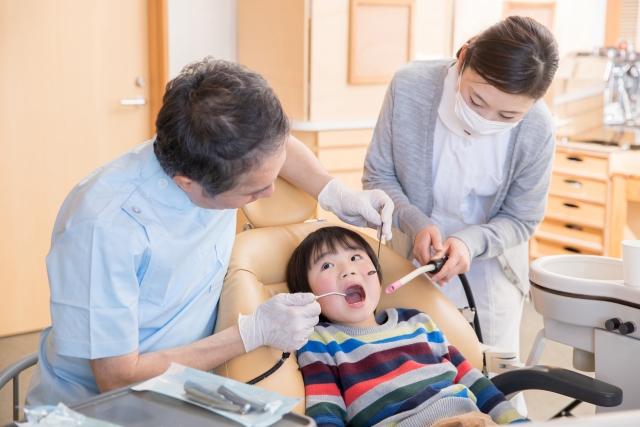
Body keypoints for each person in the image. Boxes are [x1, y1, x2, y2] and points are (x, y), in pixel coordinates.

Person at [26, 58, 394, 405]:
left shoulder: (225, 135)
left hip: (196, 381)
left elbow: (275, 149)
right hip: (106, 407)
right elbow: (118, 378)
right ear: (188, 183)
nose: (269, 193)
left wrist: (334, 193)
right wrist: (250, 334)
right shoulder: (104, 230)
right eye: (253, 191)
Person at [362, 16, 559, 364]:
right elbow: (379, 175)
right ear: (464, 56)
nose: (487, 120)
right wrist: (415, 223)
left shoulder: (538, 127)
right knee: (410, 372)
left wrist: (470, 242)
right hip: (408, 256)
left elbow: (522, 218)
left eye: (508, 115)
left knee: (493, 380)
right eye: (476, 100)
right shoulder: (410, 86)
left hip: (489, 269)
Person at [286, 226, 527, 427]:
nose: (347, 270)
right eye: (326, 266)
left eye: (355, 257)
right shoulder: (321, 342)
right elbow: (325, 414)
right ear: (307, 295)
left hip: (469, 419)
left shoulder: (417, 321)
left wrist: (514, 421)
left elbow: (474, 380)